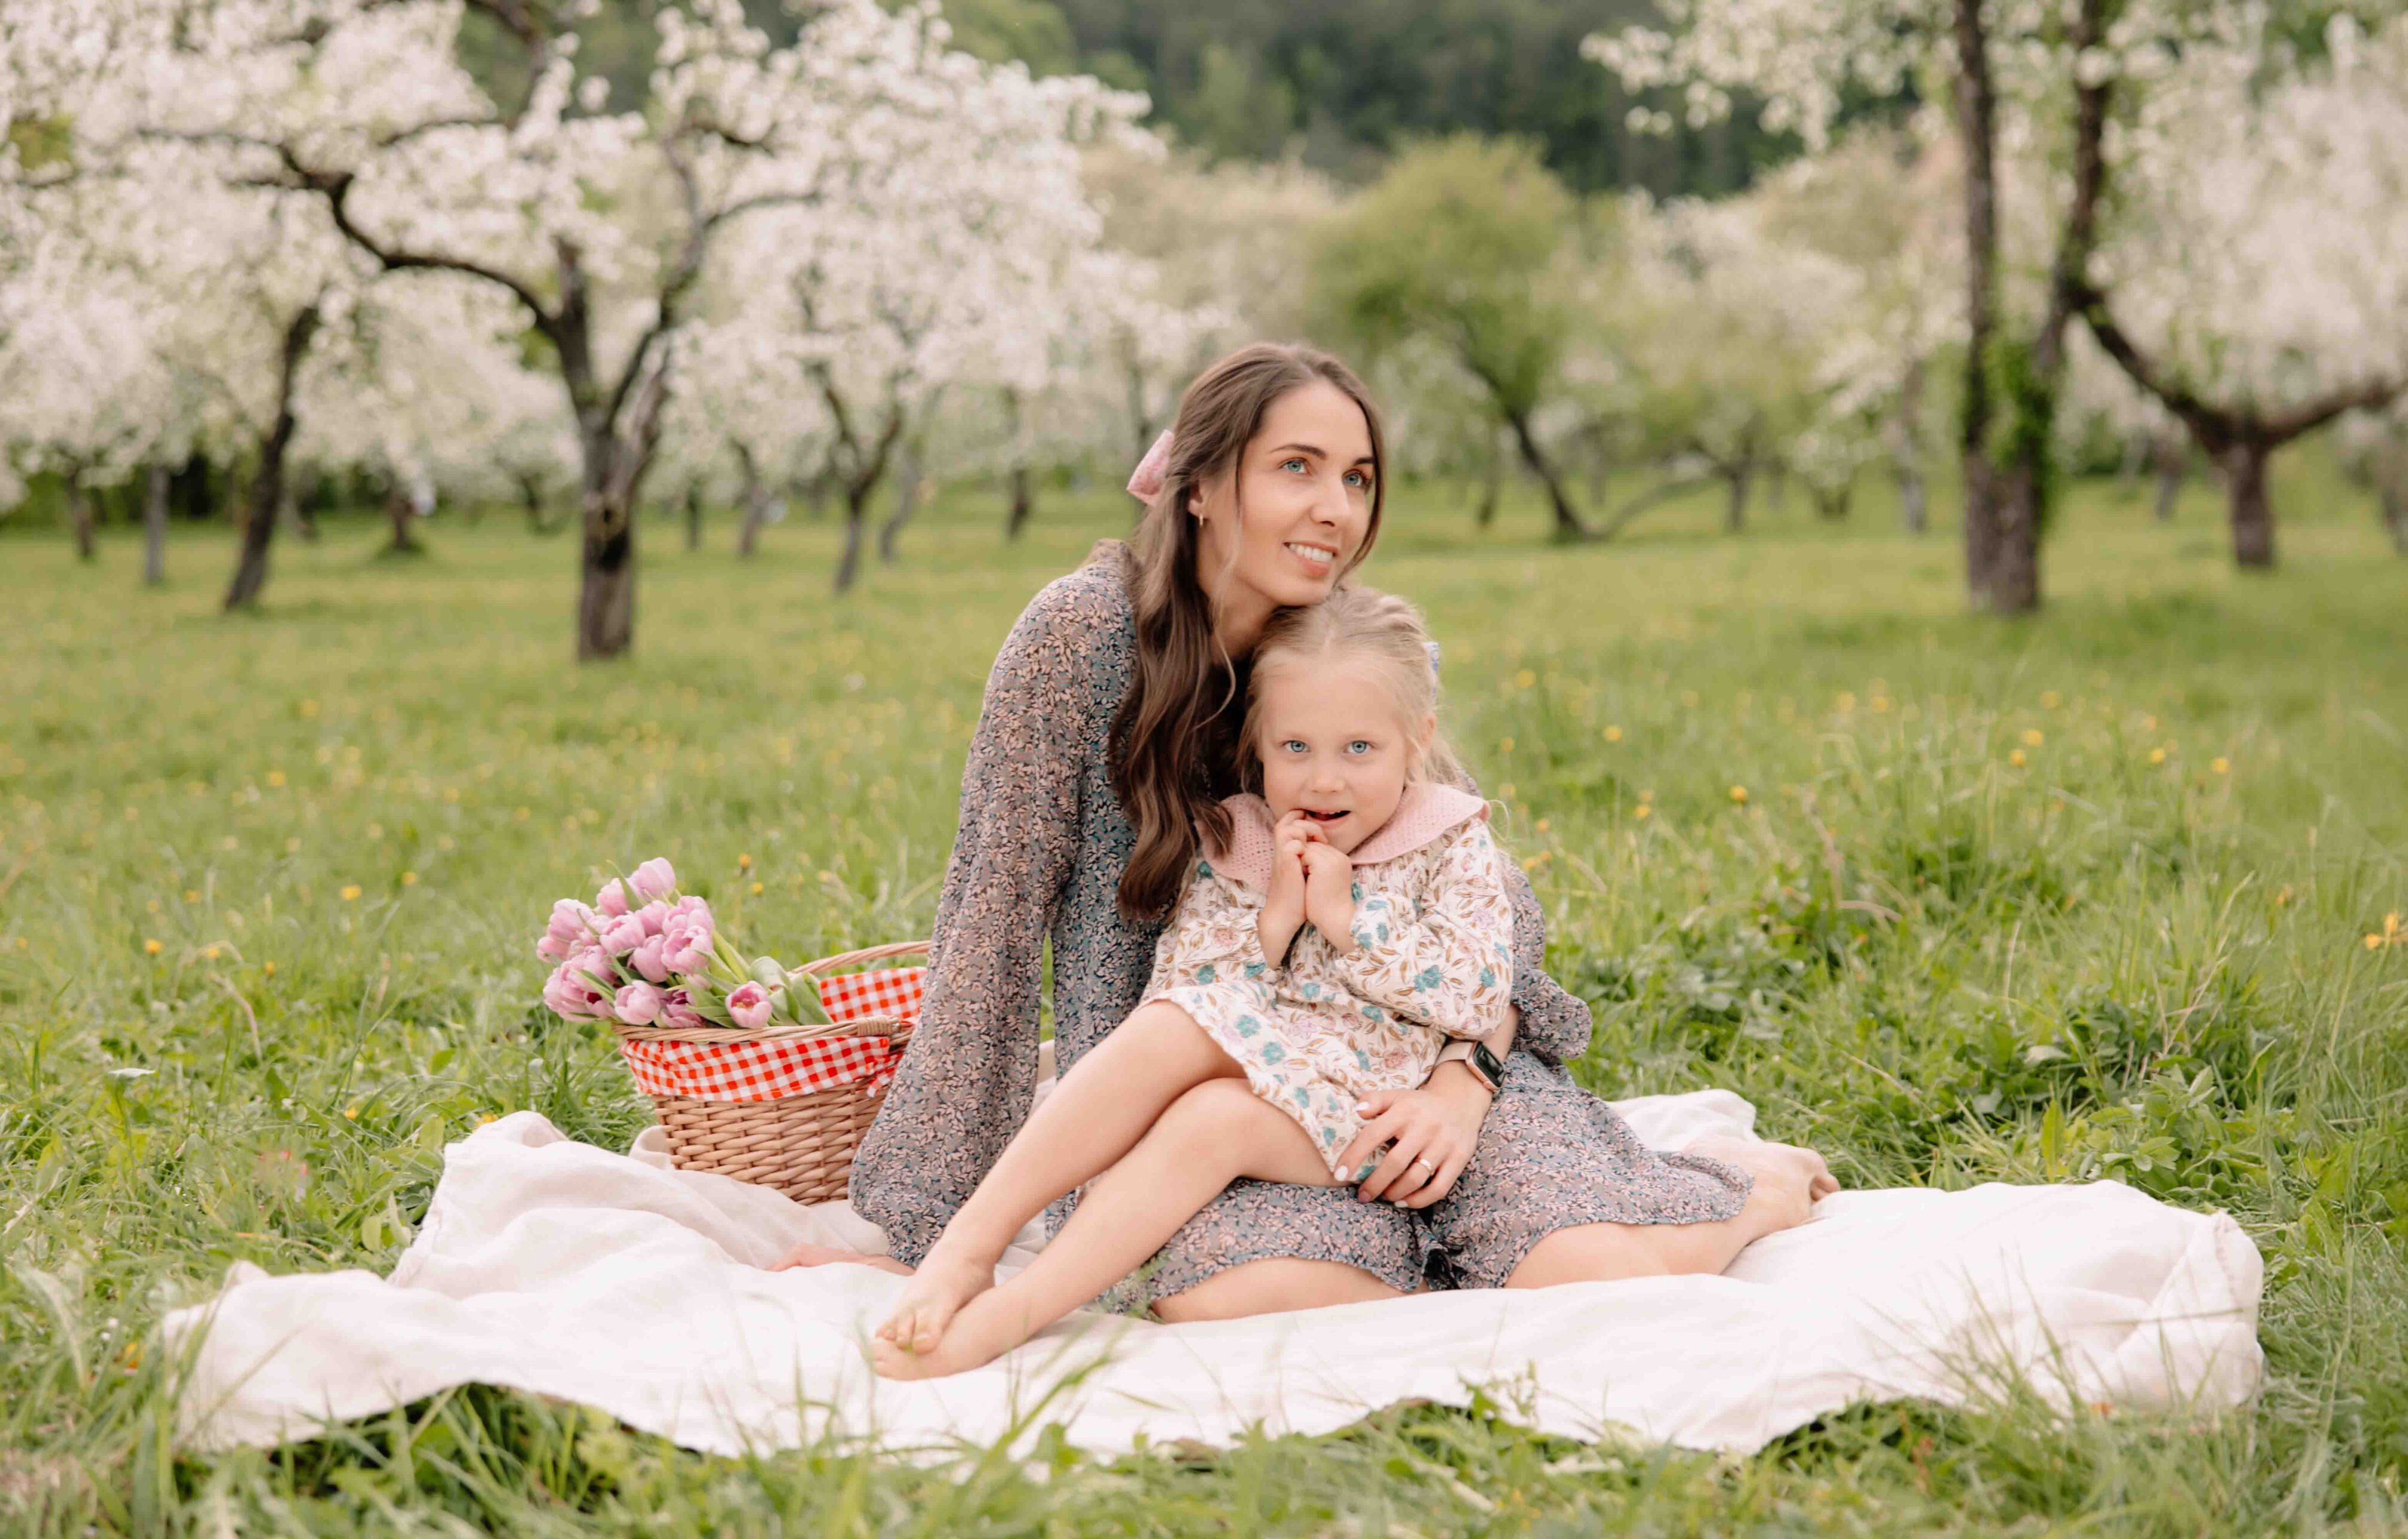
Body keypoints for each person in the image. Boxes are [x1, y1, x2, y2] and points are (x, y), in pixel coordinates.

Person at [782, 341, 1835, 1343]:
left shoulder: (1340, 639)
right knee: (1239, 1302)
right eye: (1298, 469)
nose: (1336, 510)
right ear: (1198, 484)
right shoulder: (1081, 638)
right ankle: (1432, 1240)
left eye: (1359, 479)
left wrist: (1464, 1083)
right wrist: (931, 1241)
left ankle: (1750, 1193)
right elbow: (992, 924)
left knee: (1592, 1279)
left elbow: (1481, 887)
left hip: (1416, 1052)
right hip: (1215, 1097)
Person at [869, 586, 1547, 1376]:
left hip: (1371, 1101)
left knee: (1214, 1118)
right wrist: (1278, 918)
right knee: (1186, 1065)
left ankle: (1010, 1318)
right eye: (1296, 749)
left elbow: (1475, 992)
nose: (1324, 781)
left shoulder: (1449, 837)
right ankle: (970, 1252)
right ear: (1258, 749)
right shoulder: (1242, 839)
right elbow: (1193, 986)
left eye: (1359, 750)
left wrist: (1347, 919)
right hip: (1278, 1079)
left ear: (1416, 741)